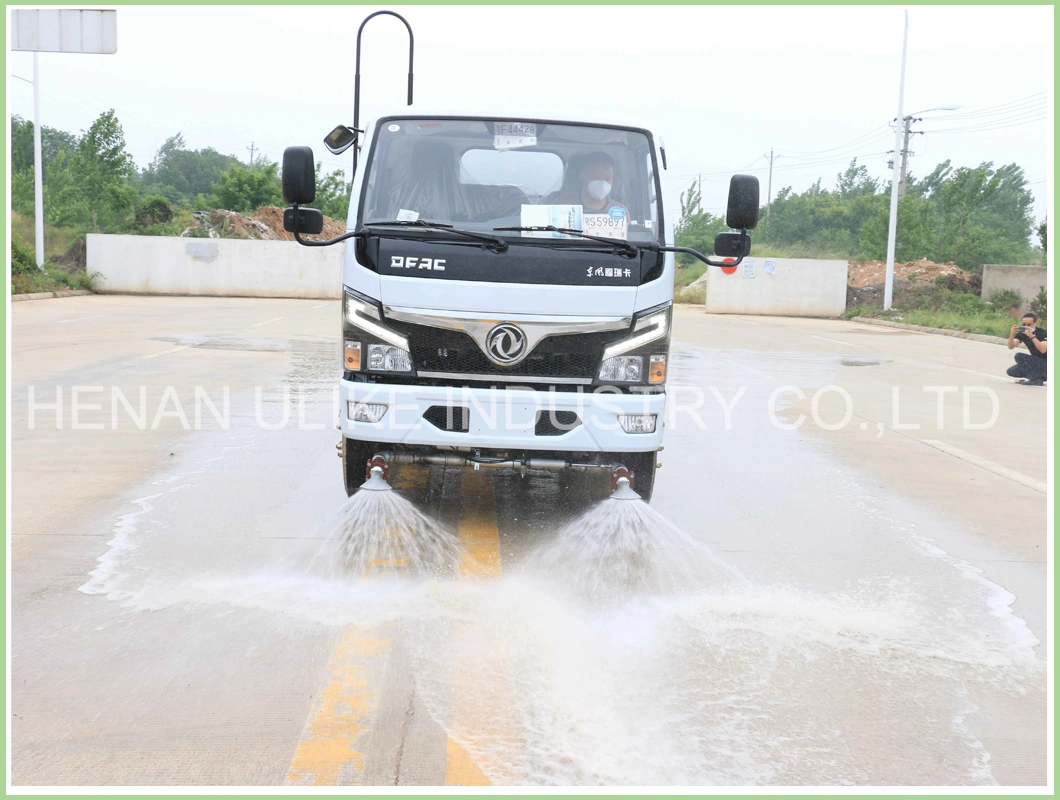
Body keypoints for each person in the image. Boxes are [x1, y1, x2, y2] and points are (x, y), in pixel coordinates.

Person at [547, 152, 628, 216]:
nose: (603, 183)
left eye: (607, 179)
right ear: (582, 177)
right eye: (597, 178)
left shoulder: (620, 211)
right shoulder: (562, 205)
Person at [1006, 312, 1048, 385]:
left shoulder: (1043, 333)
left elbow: (1043, 350)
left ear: (1035, 324)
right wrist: (1012, 334)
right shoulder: (1023, 333)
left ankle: (1035, 378)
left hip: (1047, 362)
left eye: (1029, 325)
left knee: (1019, 356)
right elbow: (1011, 346)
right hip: (1036, 362)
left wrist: (1032, 336)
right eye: (1024, 324)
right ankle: (1038, 377)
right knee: (1011, 371)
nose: (1026, 327)